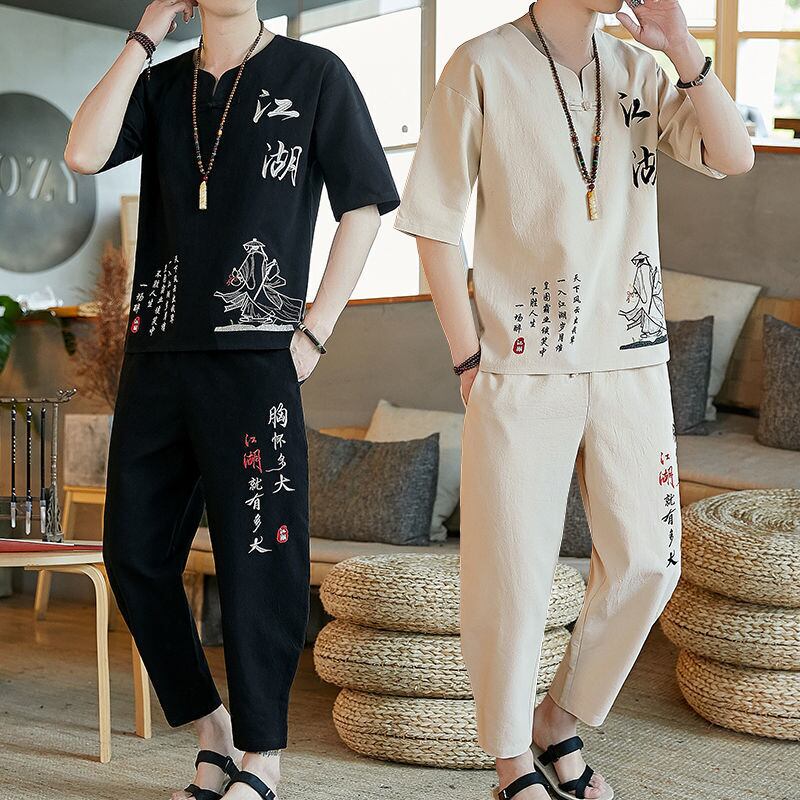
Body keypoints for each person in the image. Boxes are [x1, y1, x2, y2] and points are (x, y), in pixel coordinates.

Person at [394, 1, 753, 798]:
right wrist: (468, 355)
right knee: (512, 574)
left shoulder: (638, 69)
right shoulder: (481, 65)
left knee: (651, 561)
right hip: (523, 364)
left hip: (632, 360)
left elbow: (733, 156)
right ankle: (510, 764)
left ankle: (558, 716)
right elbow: (433, 220)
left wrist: (681, 43)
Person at [64, 1, 399, 798]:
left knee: (260, 562)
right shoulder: (162, 84)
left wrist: (314, 330)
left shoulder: (314, 75)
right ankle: (209, 728)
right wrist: (147, 33)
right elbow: (82, 152)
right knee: (134, 555)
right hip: (157, 356)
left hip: (255, 361)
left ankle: (261, 760)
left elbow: (364, 207)